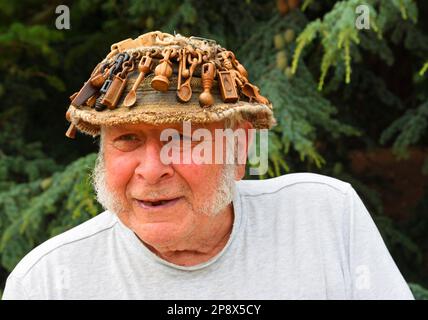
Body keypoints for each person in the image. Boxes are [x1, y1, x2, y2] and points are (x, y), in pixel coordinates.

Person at [2, 31, 413, 300]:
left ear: (239, 149)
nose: (151, 170)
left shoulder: (324, 216)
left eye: (180, 138)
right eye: (127, 139)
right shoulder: (46, 282)